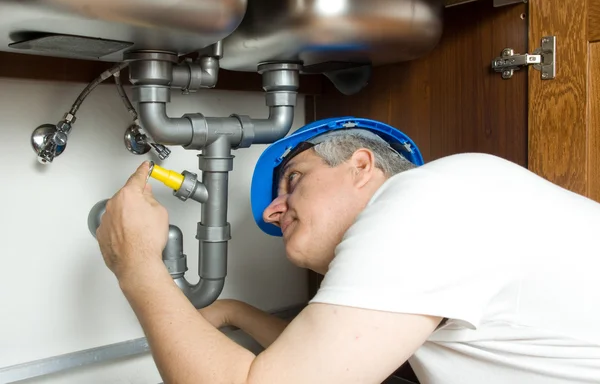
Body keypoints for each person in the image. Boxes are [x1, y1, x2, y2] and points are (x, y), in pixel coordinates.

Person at [95, 117, 600, 384]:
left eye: (293, 181)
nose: (274, 212)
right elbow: (334, 360)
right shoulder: (456, 205)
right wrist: (234, 313)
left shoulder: (423, 199)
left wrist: (136, 263)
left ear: (361, 166)